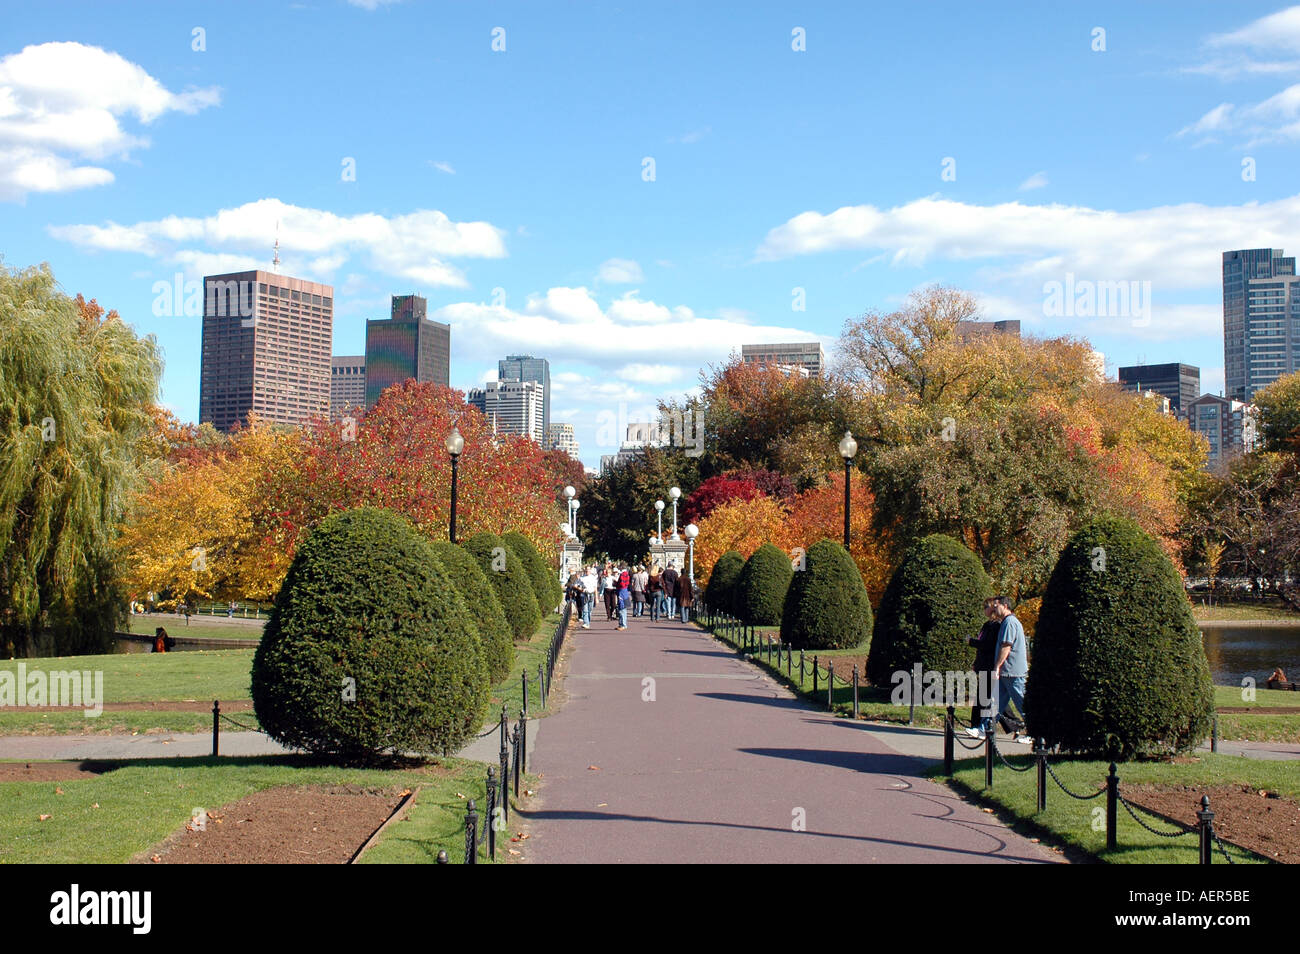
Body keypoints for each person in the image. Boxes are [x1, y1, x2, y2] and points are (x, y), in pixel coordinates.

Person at [968, 596, 1033, 743]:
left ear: (1005, 605)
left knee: (1022, 703)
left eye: (996, 605)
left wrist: (996, 666)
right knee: (995, 704)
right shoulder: (1006, 622)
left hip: (1012, 672)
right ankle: (983, 729)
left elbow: (1006, 646)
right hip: (1006, 672)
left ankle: (1035, 732)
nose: (994, 608)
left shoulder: (1009, 622)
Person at [966, 598, 1002, 730]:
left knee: (986, 697)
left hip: (989, 665)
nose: (984, 609)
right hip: (984, 664)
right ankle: (1013, 724)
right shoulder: (987, 625)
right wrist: (976, 662)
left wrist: (971, 641)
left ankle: (978, 725)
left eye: (986, 607)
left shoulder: (996, 626)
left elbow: (988, 645)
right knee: (988, 696)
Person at [616, 564, 631, 630]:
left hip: (622, 591)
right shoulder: (627, 574)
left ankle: (623, 625)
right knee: (623, 608)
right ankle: (621, 624)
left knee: (621, 608)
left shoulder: (622, 574)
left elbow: (622, 583)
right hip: (625, 591)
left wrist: (616, 583)